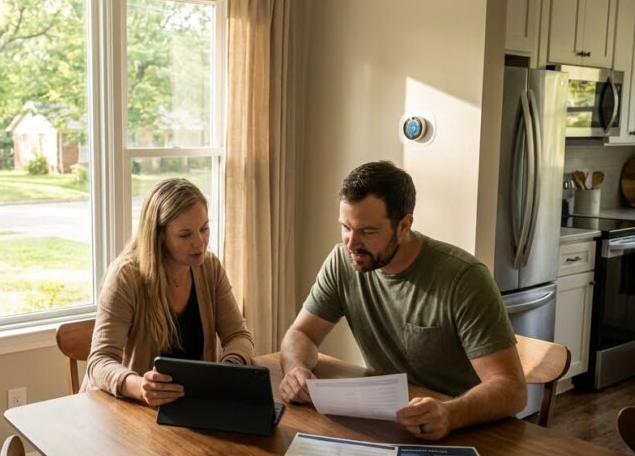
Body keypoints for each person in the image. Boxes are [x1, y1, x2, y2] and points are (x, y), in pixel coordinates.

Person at [279, 161, 526, 440]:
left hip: (468, 429)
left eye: (367, 232)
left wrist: (449, 414)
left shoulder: (464, 278)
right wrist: (296, 368)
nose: (351, 243)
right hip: (395, 425)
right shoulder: (342, 262)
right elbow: (301, 334)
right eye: (346, 227)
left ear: (404, 225)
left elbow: (512, 389)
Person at [83, 178, 254, 406]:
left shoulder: (210, 268)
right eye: (185, 235)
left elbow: (238, 336)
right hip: (128, 409)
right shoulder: (125, 276)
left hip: (188, 405)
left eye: (204, 229)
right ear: (159, 236)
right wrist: (139, 386)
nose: (200, 243)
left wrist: (228, 369)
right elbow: (99, 361)